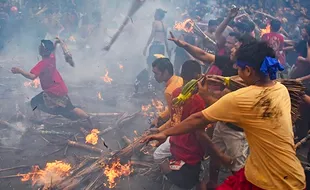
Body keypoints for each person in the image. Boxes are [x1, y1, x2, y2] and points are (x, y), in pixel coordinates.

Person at [143, 40, 306, 190]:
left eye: (239, 68)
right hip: (286, 172)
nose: (236, 70)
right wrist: (225, 81)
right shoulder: (280, 89)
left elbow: (198, 119)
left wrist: (164, 132)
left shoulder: (240, 98)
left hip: (272, 182)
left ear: (248, 70)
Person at [153, 60, 232, 190]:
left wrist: (162, 131)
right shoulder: (199, 99)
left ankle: (173, 178)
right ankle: (181, 180)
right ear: (197, 76)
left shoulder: (176, 93)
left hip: (176, 139)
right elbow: (200, 130)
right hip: (189, 145)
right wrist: (214, 151)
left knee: (158, 155)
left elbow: (175, 121)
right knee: (197, 177)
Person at [11, 39, 92, 127]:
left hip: (52, 91)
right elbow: (54, 48)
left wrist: (20, 71)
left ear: (42, 51)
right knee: (71, 108)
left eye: (40, 47)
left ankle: (38, 120)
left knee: (34, 102)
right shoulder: (52, 57)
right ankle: (88, 118)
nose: (38, 48)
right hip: (60, 88)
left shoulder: (42, 64)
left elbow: (32, 76)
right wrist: (58, 42)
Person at [151, 58, 183, 128]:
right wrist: (159, 117)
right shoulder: (179, 78)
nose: (154, 76)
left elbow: (174, 117)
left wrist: (159, 130)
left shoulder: (169, 91)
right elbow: (172, 108)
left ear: (165, 72)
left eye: (156, 74)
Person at [143, 9, 170, 73]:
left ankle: (150, 78)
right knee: (160, 65)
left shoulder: (155, 23)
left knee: (151, 64)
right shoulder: (165, 25)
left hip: (155, 46)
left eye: (155, 14)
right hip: (162, 47)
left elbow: (152, 35)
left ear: (158, 15)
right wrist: (168, 50)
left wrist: (146, 46)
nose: (154, 15)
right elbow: (165, 39)